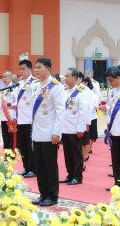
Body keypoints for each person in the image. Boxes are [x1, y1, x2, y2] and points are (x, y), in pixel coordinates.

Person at [31, 57, 65, 206]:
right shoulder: (35, 85)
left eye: (39, 67)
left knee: (50, 166)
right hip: (37, 132)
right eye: (35, 67)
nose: (36, 70)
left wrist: (57, 132)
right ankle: (42, 193)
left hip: (49, 133)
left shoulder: (56, 86)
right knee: (40, 166)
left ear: (48, 70)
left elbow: (60, 111)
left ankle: (52, 195)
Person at [60, 68, 87, 185]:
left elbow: (83, 112)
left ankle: (77, 175)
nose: (65, 79)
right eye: (65, 76)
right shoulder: (63, 91)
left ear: (75, 78)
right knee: (67, 153)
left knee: (76, 153)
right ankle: (70, 174)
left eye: (68, 76)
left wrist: (80, 128)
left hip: (75, 128)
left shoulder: (81, 92)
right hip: (64, 128)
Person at [14, 60, 37, 178]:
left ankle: (33, 168)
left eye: (24, 69)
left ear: (30, 69)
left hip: (29, 120)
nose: (21, 71)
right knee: (22, 146)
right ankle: (26, 167)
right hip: (21, 119)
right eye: (20, 69)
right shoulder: (21, 83)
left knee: (30, 146)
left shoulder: (34, 83)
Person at [0, 71, 17, 153]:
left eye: (5, 77)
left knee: (11, 136)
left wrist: (13, 105)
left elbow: (17, 101)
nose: (3, 79)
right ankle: (6, 153)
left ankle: (11, 153)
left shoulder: (14, 88)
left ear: (10, 78)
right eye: (3, 77)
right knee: (4, 136)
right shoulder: (3, 89)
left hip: (11, 116)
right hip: (3, 116)